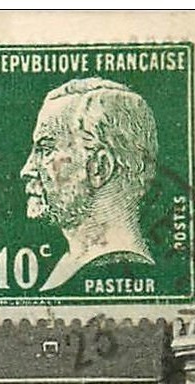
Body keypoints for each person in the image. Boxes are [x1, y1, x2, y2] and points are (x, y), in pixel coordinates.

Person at [18, 77, 159, 293]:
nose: (27, 170)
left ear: (99, 168)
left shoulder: (114, 268)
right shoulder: (70, 267)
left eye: (46, 150)